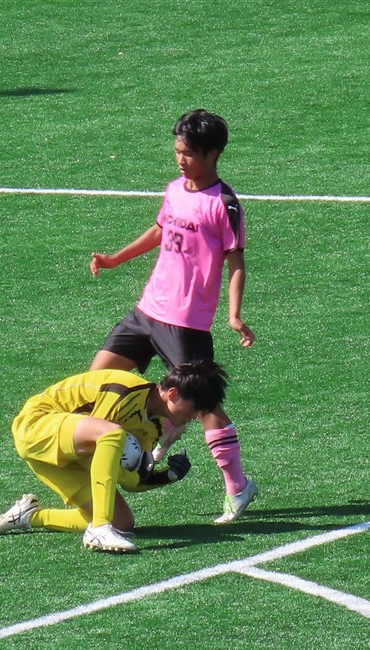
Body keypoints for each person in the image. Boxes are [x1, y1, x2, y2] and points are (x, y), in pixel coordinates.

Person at [89, 109, 258, 524]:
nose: (181, 159)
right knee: (94, 383)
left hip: (186, 322)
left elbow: (236, 261)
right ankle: (123, 453)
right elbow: (161, 231)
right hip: (146, 311)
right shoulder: (174, 189)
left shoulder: (224, 204)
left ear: (213, 154)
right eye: (178, 151)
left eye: (189, 153)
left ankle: (238, 486)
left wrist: (234, 314)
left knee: (205, 406)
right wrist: (115, 259)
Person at [0, 360, 228, 553]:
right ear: (172, 394)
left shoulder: (154, 427)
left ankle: (30, 516)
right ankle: (99, 528)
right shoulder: (124, 391)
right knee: (111, 434)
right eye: (196, 408)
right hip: (36, 428)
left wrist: (167, 475)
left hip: (64, 455)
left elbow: (131, 479)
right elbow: (103, 446)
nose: (196, 416)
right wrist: (127, 467)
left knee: (122, 523)